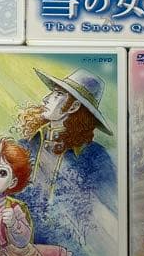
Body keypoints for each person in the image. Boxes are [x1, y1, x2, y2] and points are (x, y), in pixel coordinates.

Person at [14, 68, 116, 212]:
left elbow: (108, 208)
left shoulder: (96, 158)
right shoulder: (26, 146)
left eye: (57, 94)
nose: (46, 99)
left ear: (74, 107)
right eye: (52, 93)